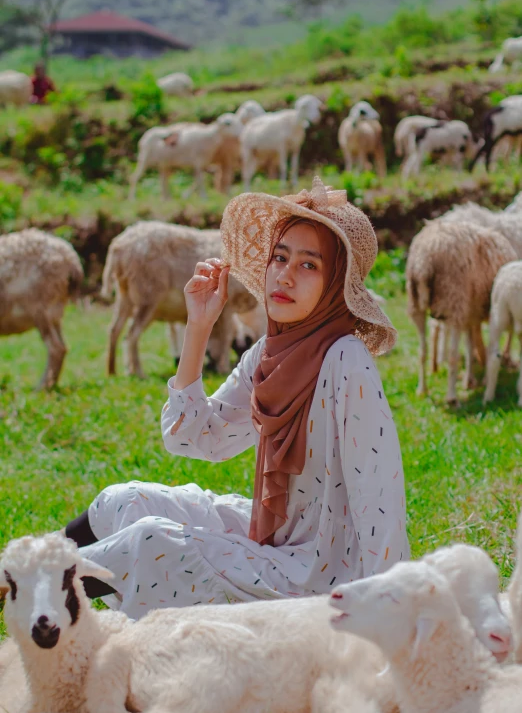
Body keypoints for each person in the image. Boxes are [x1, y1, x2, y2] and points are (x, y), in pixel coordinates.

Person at [66, 176, 409, 619]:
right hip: (278, 542)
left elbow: (379, 496)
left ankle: (24, 584)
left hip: (323, 581)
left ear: (336, 284)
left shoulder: (346, 359)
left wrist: (388, 610)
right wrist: (199, 328)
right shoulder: (267, 355)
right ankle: (17, 573)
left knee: (150, 542)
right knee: (124, 501)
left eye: (309, 265)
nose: (284, 274)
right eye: (280, 257)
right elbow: (193, 439)